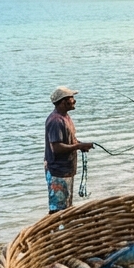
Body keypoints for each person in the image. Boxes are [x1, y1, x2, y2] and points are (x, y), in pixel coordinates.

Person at [44, 86, 92, 214]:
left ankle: (62, 230)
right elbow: (57, 148)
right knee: (58, 210)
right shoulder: (56, 121)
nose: (74, 101)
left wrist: (81, 145)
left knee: (66, 208)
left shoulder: (65, 117)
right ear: (63, 102)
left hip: (66, 170)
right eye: (72, 98)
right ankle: (55, 232)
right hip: (58, 172)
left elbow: (69, 141)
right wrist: (78, 146)